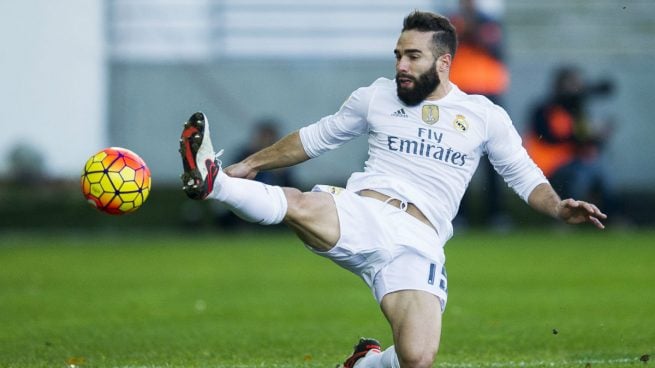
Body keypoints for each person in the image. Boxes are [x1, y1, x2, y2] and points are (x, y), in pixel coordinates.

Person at [178, 11, 606, 368]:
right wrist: (249, 164)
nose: (401, 64)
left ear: (443, 62)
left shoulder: (483, 115)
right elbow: (313, 138)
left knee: (417, 357)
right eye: (398, 54)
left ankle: (366, 362)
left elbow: (522, 174)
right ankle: (214, 182)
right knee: (300, 203)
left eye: (413, 56)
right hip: (365, 213)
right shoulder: (375, 97)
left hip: (420, 242)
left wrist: (557, 208)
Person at [448, 0, 511, 228]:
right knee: (456, 155)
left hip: (489, 95)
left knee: (494, 156)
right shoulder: (451, 22)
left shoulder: (490, 23)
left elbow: (497, 51)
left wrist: (473, 30)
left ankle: (496, 214)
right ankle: (458, 214)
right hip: (459, 95)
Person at [525, 65, 616, 216]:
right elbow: (549, 137)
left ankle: (609, 217)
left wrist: (597, 138)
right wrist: (583, 134)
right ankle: (566, 217)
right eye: (572, 84)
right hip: (548, 165)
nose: (577, 88)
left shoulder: (577, 111)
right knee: (576, 176)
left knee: (600, 171)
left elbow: (584, 142)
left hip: (572, 162)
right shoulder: (545, 109)